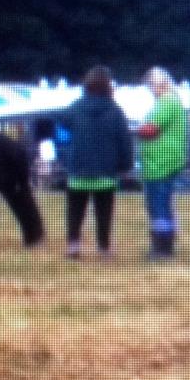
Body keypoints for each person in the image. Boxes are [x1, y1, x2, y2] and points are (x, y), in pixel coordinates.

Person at [57, 65, 133, 260]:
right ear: (108, 85)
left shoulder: (76, 107)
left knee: (75, 210)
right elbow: (125, 140)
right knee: (104, 212)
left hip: (79, 168)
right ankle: (104, 248)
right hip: (106, 171)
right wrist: (126, 165)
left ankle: (73, 246)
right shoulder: (115, 110)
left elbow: (62, 120)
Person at [135, 68, 188, 259]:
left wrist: (134, 130)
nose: (150, 89)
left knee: (158, 204)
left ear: (159, 84)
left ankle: (162, 247)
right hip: (159, 161)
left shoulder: (167, 103)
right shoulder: (170, 102)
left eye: (151, 85)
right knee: (161, 203)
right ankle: (165, 243)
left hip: (162, 162)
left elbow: (151, 129)